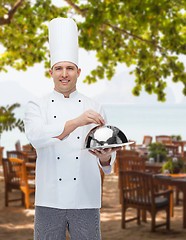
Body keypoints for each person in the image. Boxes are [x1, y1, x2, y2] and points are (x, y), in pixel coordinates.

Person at [24, 18, 119, 240]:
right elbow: (36, 137)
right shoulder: (36, 105)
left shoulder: (95, 107)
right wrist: (76, 122)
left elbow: (105, 159)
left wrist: (106, 158)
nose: (64, 74)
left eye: (69, 68)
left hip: (85, 198)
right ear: (51, 72)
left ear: (78, 71)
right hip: (49, 199)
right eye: (59, 68)